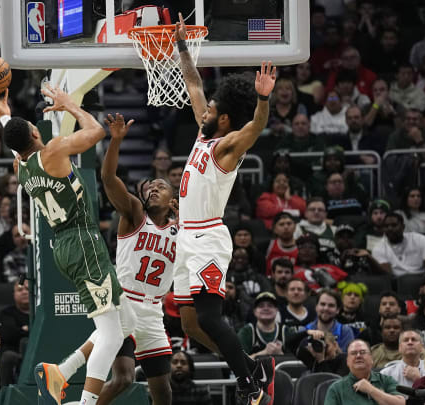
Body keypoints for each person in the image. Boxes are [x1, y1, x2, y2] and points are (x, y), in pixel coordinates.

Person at [0, 83, 127, 405]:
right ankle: (87, 403)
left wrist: (6, 118)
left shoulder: (21, 167)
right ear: (35, 134)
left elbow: (15, 144)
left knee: (119, 321)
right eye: (33, 126)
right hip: (83, 241)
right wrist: (68, 105)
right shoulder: (54, 150)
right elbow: (96, 131)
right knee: (112, 334)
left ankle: (63, 370)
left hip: (64, 245)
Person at [172, 13, 277, 404]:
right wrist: (182, 45)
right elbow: (194, 82)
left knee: (211, 317)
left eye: (211, 109)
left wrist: (263, 98)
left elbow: (256, 127)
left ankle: (248, 380)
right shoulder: (204, 131)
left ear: (225, 118)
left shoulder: (225, 146)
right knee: (189, 322)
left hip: (208, 238)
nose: (203, 111)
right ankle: (251, 365)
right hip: (187, 237)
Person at [55, 113, 179, 405]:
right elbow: (108, 178)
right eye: (149, 187)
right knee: (123, 378)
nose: (152, 190)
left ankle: (65, 371)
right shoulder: (135, 214)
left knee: (164, 392)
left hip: (154, 314)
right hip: (126, 303)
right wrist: (116, 141)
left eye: (159, 187)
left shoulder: (182, 229)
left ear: (173, 200)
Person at [324, 339, 405, 405]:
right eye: (353, 353)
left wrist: (371, 390)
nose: (358, 356)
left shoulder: (386, 380)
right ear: (347, 361)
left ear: (371, 359)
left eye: (363, 352)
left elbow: (401, 403)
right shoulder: (336, 388)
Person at [372, 212, 425, 277]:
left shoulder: (420, 239)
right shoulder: (378, 247)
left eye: (394, 225)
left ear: (403, 227)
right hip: (396, 283)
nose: (390, 228)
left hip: (423, 280)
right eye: (386, 226)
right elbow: (388, 275)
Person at [238, 292, 284, 358]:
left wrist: (281, 354)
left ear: (277, 310)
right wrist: (264, 352)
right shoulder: (246, 332)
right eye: (261, 306)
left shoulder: (285, 331)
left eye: (270, 305)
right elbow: (239, 361)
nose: (266, 308)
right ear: (254, 311)